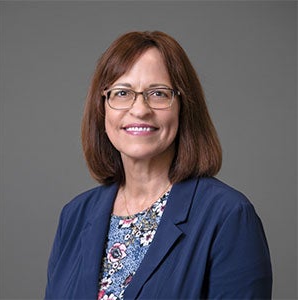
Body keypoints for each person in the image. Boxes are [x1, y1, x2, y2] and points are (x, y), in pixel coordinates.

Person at [45, 31, 272, 299]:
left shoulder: (228, 216)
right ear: (102, 108)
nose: (140, 109)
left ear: (184, 107)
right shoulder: (74, 216)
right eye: (122, 92)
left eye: (158, 93)